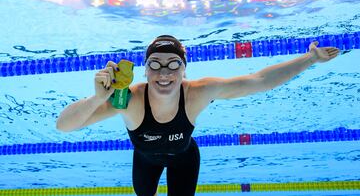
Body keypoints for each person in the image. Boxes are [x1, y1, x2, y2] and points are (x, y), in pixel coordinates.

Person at [56, 35, 340, 196]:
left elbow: (259, 81)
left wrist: (310, 59)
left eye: (173, 64)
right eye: (155, 64)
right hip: (144, 161)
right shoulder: (130, 99)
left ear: (184, 69)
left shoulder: (199, 92)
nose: (164, 73)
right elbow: (63, 126)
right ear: (145, 70)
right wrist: (98, 98)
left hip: (185, 159)